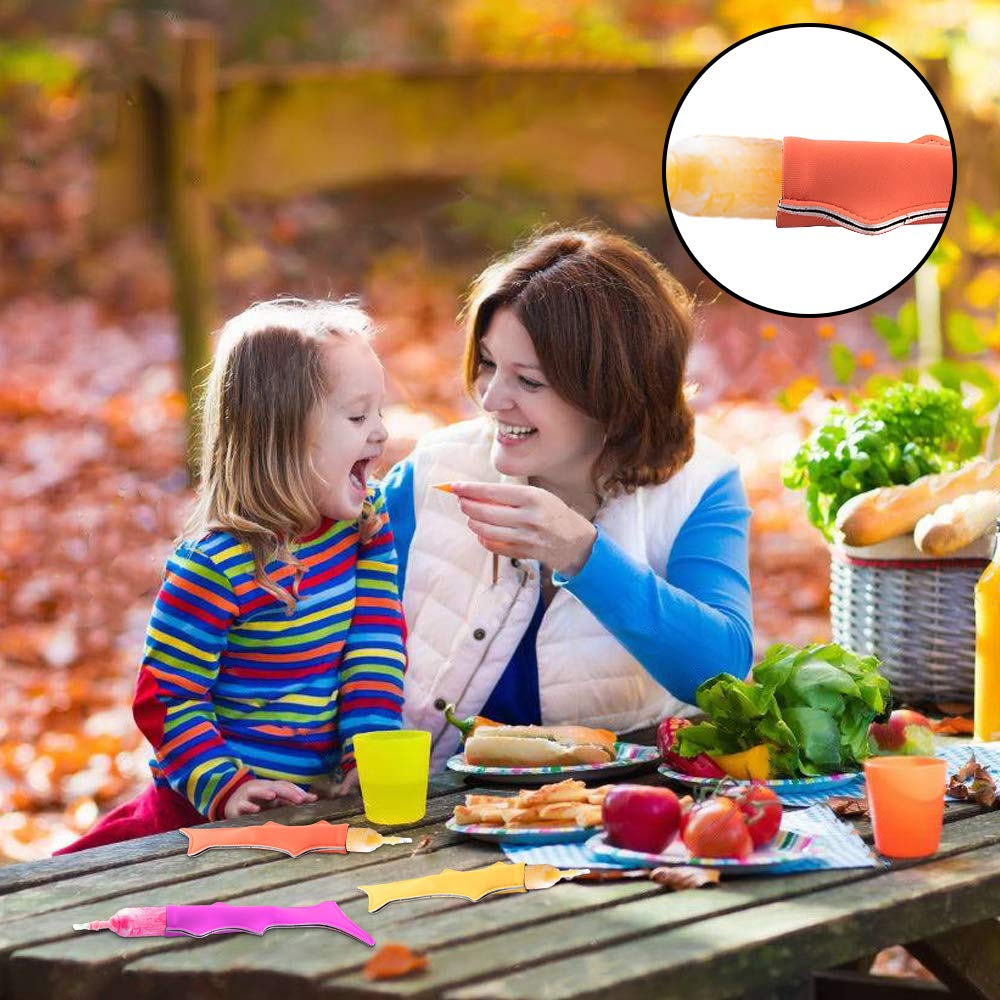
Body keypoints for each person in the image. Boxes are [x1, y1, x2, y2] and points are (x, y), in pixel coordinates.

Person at [383, 228, 754, 770]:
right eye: (488, 363)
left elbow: (721, 674)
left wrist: (584, 555)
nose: (490, 398)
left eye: (527, 381)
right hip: (426, 813)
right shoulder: (431, 473)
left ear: (613, 393)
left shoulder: (701, 485)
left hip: (620, 807)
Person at [55, 299, 406, 853]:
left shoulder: (363, 524)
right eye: (358, 416)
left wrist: (367, 744)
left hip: (313, 808)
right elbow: (167, 697)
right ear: (283, 434)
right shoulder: (216, 566)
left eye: (379, 412)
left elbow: (374, 639)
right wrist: (227, 786)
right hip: (202, 816)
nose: (381, 433)